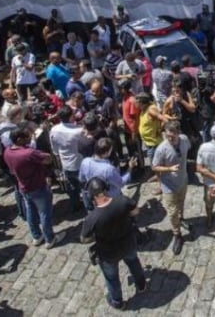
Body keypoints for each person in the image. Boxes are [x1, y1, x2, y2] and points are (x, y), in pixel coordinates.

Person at [80, 177, 147, 310]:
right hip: (128, 243)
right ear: (106, 190)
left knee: (112, 278)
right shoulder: (122, 201)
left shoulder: (92, 218)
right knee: (134, 262)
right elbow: (135, 211)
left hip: (108, 253)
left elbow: (84, 239)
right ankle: (141, 285)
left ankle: (117, 302)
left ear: (92, 197)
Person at [4, 126, 66, 248]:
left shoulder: (7, 151)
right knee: (44, 213)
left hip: (23, 187)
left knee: (30, 212)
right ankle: (50, 238)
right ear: (19, 139)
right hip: (38, 186)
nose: (30, 137)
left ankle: (37, 236)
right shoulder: (29, 153)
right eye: (27, 136)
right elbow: (48, 159)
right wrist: (33, 148)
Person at [152, 121, 190, 254]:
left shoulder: (185, 140)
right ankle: (177, 234)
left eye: (172, 136)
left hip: (182, 181)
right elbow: (154, 166)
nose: (169, 139)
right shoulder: (162, 149)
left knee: (181, 204)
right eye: (167, 136)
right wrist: (169, 168)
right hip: (168, 186)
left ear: (179, 133)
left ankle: (181, 219)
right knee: (172, 211)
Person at [49, 106, 85, 214]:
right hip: (79, 163)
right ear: (70, 117)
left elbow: (54, 148)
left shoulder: (54, 130)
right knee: (84, 186)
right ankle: (89, 206)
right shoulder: (79, 131)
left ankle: (75, 205)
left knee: (72, 186)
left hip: (66, 163)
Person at [79, 138, 131, 211]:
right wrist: (130, 169)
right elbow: (121, 183)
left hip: (95, 199)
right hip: (111, 199)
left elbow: (82, 179)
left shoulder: (85, 161)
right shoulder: (108, 169)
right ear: (106, 152)